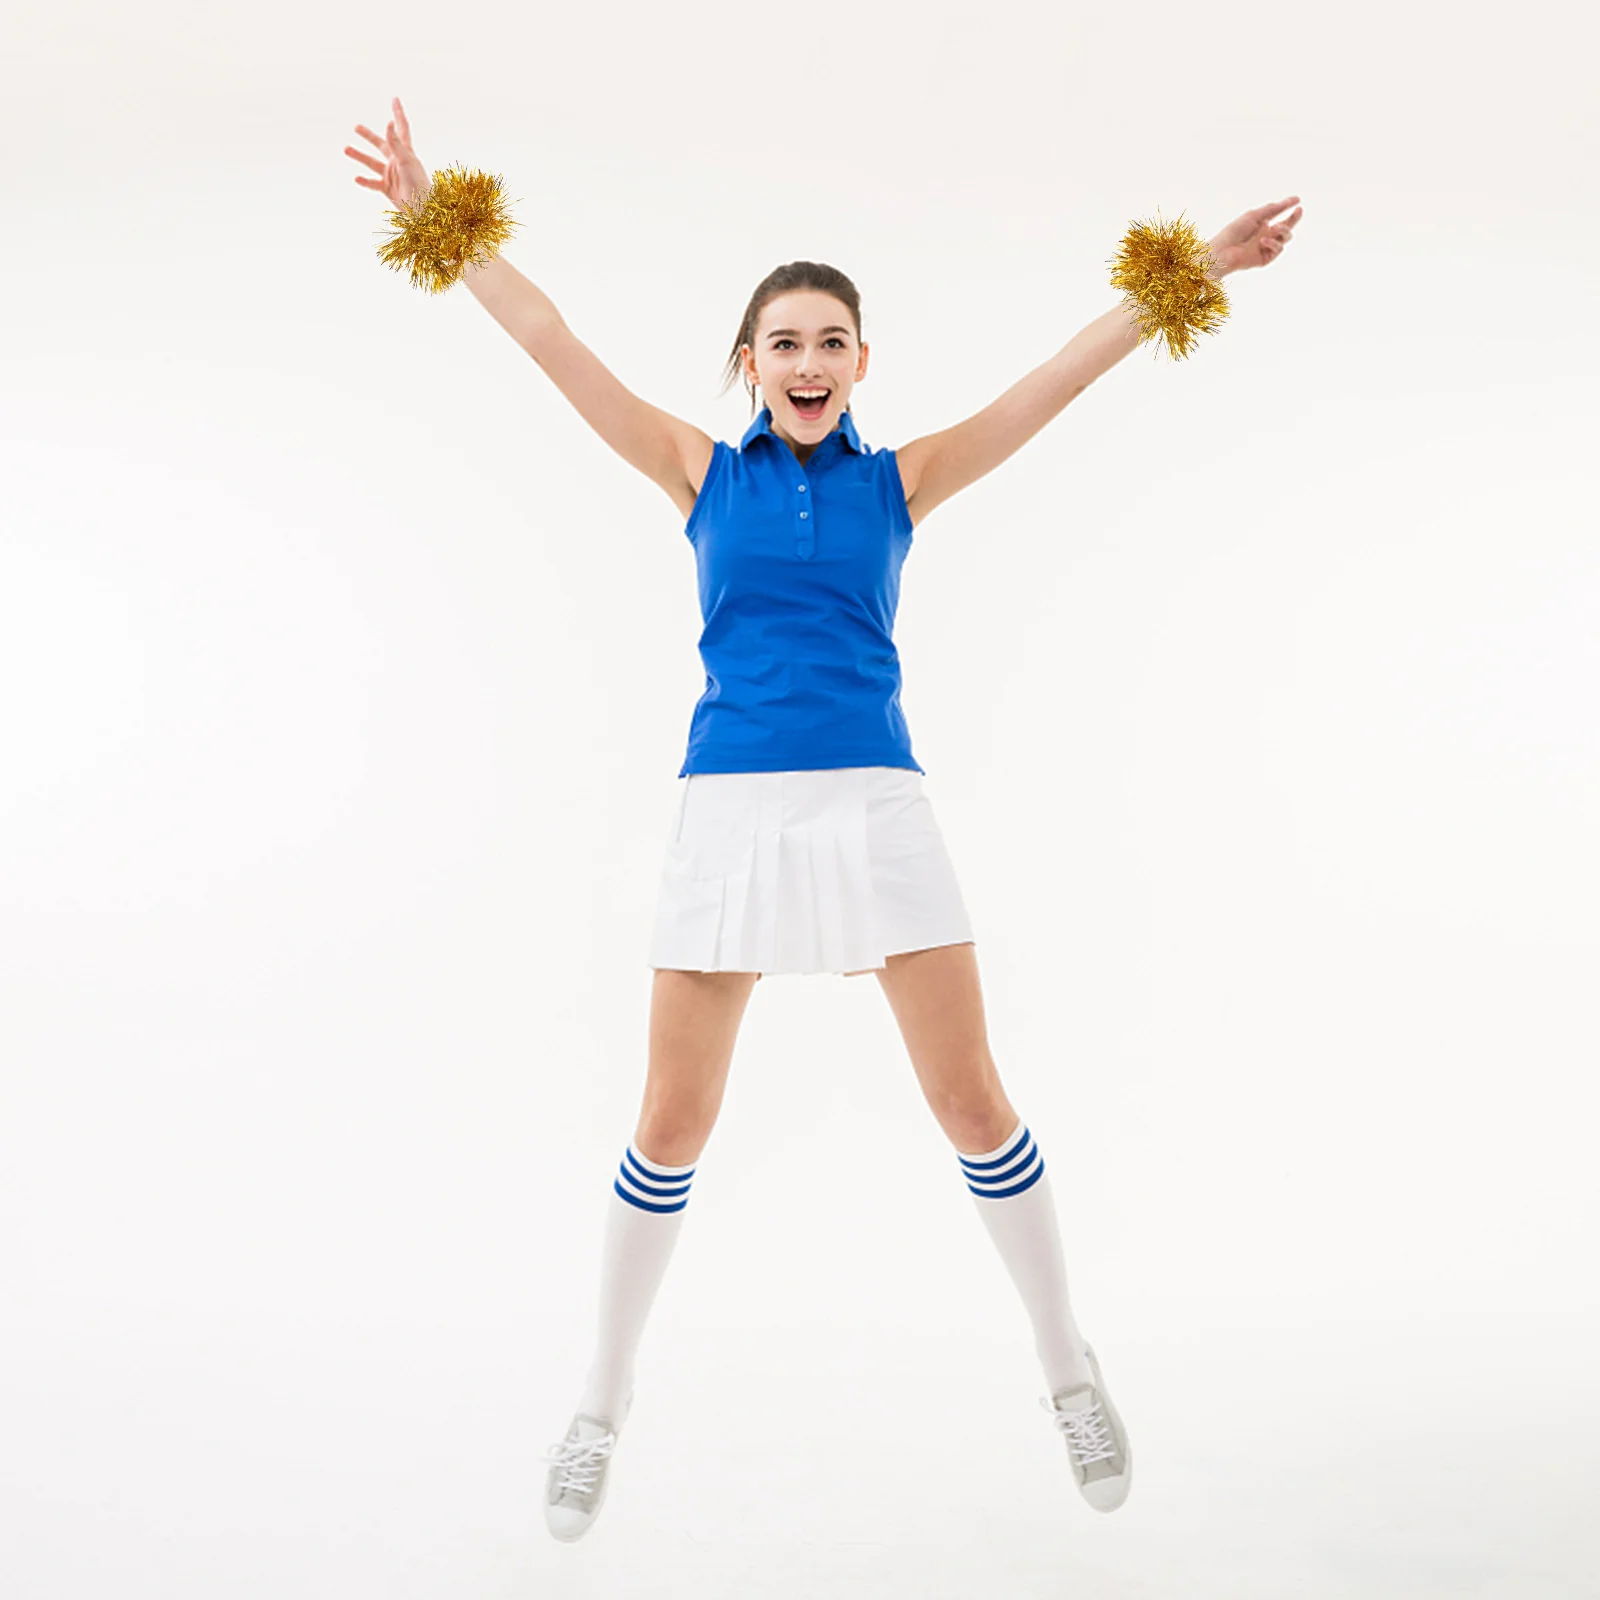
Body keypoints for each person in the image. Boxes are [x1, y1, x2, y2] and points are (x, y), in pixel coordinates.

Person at [346, 97, 1301, 1543]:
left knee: (972, 1102)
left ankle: (1067, 1369)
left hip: (875, 800)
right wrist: (430, 211)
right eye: (783, 342)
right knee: (673, 1122)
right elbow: (549, 339)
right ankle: (599, 1404)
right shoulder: (698, 469)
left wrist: (1194, 274)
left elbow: (1053, 381)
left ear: (861, 366)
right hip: (727, 808)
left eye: (831, 342)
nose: (807, 362)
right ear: (749, 364)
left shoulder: (901, 480)